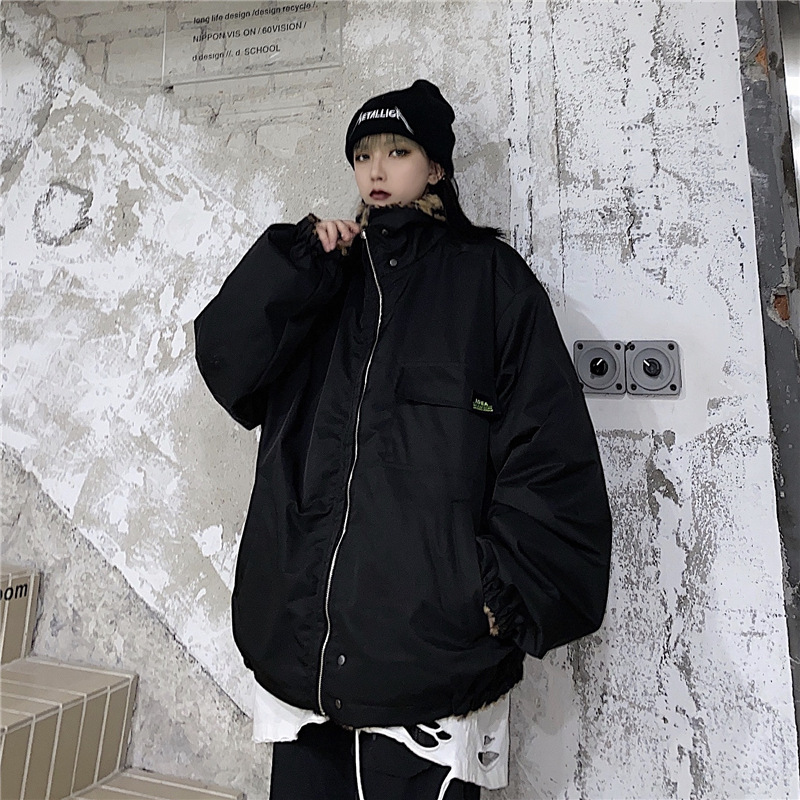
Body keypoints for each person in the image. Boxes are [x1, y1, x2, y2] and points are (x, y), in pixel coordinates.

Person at [194, 79, 612, 800]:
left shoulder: (490, 282)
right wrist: (292, 268)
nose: (376, 170)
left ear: (436, 167)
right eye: (363, 155)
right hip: (302, 654)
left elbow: (549, 447)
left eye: (397, 151)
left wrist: (496, 591)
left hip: (430, 661)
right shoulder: (324, 276)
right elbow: (232, 371)